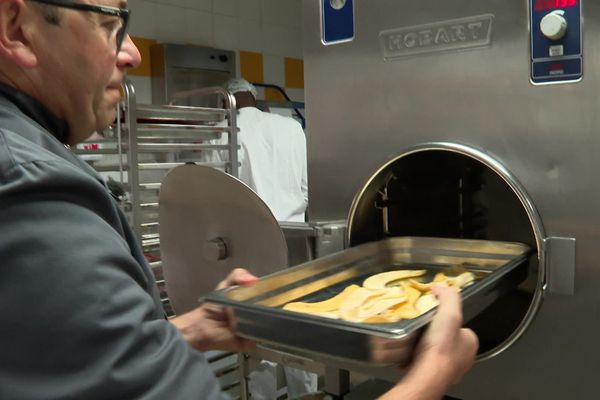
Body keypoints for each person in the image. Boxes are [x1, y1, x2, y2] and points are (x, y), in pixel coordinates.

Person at [0, 1, 477, 399]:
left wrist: (192, 328)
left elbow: (67, 360)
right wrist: (430, 375)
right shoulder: (36, 195)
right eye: (110, 24)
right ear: (16, 28)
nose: (132, 54)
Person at [208, 78, 308, 222]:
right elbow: (306, 188)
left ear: (225, 102)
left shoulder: (219, 132)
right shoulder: (293, 126)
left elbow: (213, 192)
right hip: (294, 229)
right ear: (254, 99)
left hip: (248, 231)